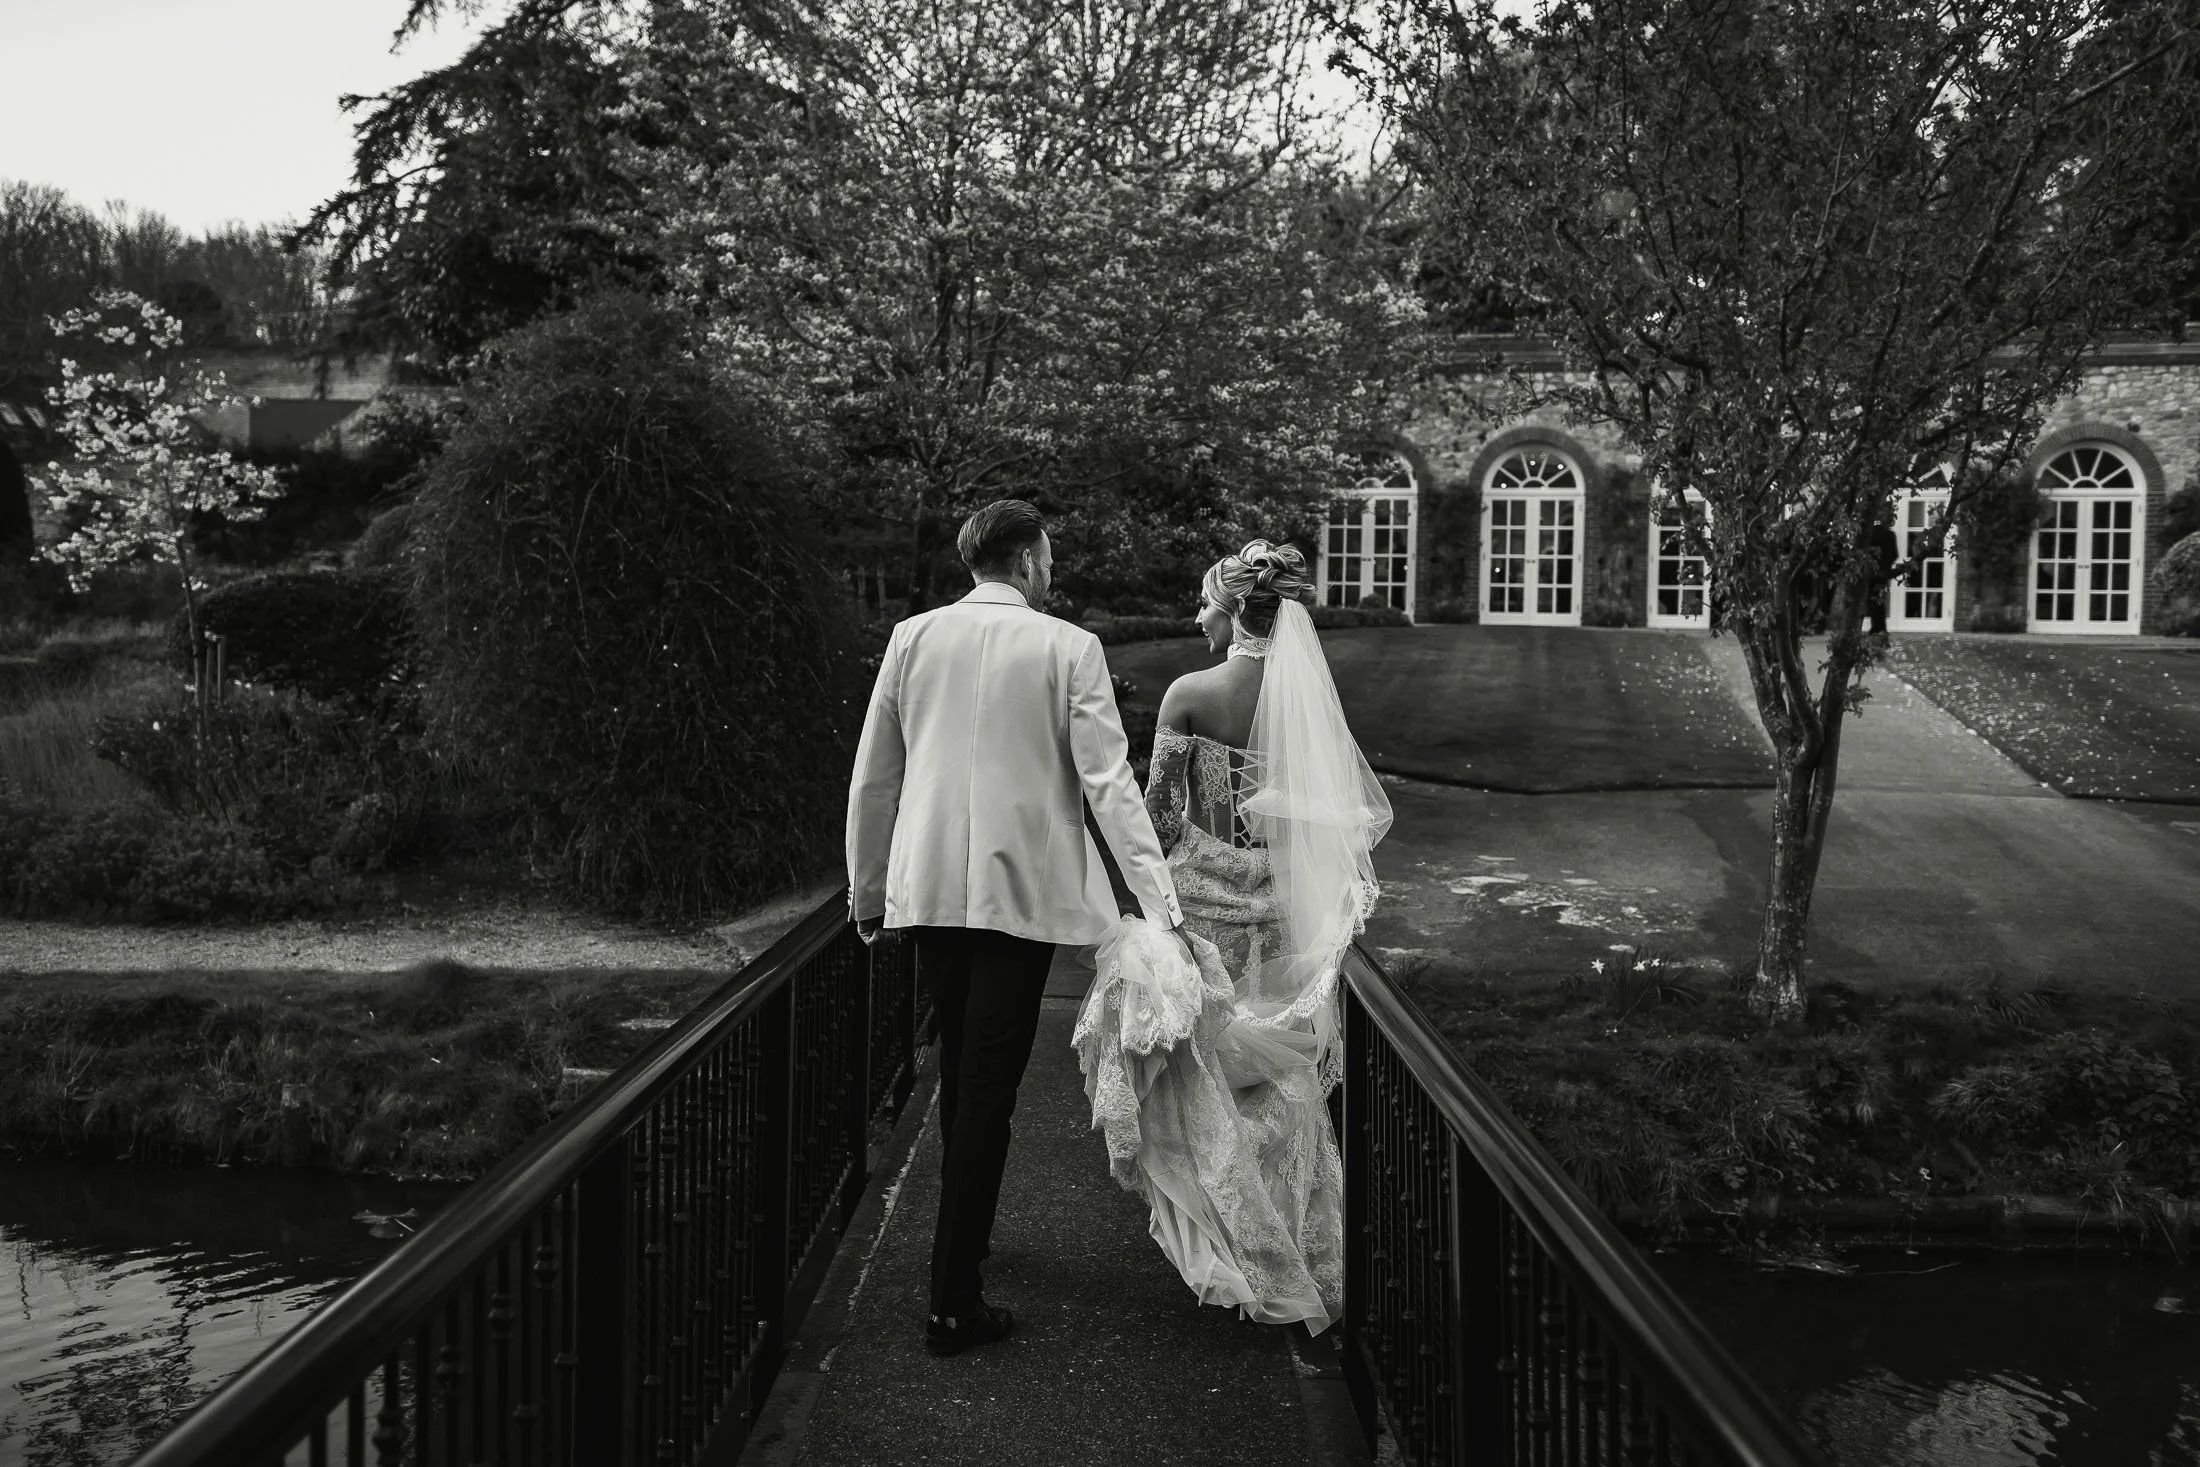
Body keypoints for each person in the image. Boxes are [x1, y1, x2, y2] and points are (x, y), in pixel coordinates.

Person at [845, 498, 1183, 1357]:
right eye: (1050, 556)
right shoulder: (1070, 647)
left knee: (964, 1068)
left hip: (926, 893)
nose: (1052, 569)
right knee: (987, 1085)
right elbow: (1109, 782)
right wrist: (1158, 896)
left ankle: (969, 1238)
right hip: (1018, 898)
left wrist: (868, 890)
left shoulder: (911, 638)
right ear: (1028, 560)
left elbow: (873, 777)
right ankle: (954, 1301)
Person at [1071, 541, 1392, 1334]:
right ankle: (1292, 1232)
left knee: (1211, 1067)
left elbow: (1163, 815)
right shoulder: (1302, 701)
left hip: (1206, 904)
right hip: (1277, 906)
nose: (1196, 616)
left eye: (1203, 604)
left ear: (1229, 608)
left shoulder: (1189, 692)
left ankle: (1230, 1234)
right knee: (1278, 1072)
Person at [1865, 506, 1902, 636]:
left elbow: (1866, 550)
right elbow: (1895, 554)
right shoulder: (1891, 535)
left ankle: (1876, 627)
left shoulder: (1872, 532)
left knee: (1872, 599)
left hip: (1872, 571)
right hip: (1884, 572)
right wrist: (1886, 565)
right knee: (1880, 599)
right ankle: (1880, 627)